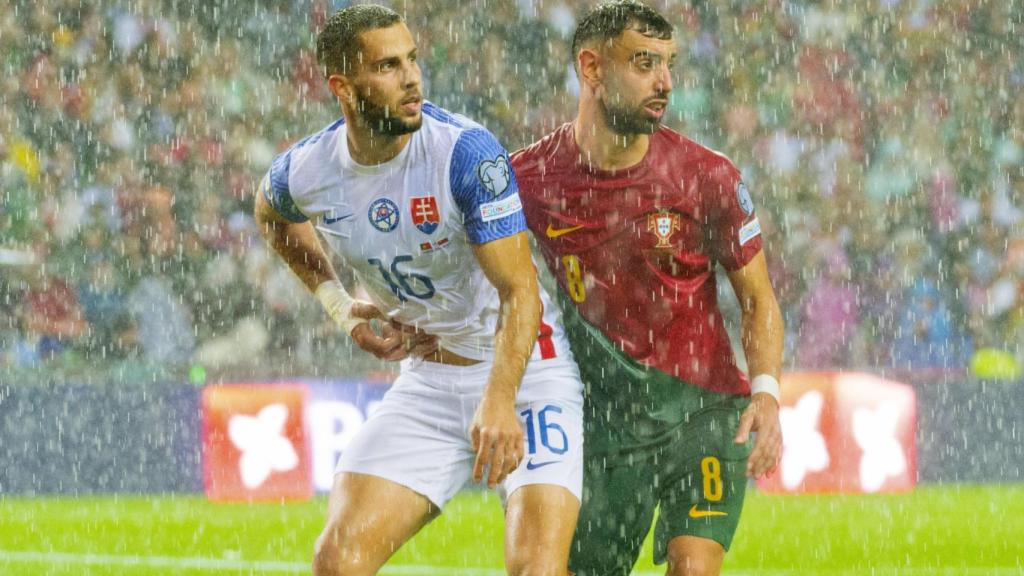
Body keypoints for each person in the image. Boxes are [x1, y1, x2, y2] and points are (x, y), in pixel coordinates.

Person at [253, 6, 583, 576]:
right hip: (429, 385)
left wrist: (500, 397)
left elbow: (520, 292)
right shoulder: (307, 170)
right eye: (387, 65)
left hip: (528, 376)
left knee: (536, 570)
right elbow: (270, 213)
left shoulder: (465, 155)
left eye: (412, 59)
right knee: (338, 561)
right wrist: (339, 307)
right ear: (343, 86)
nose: (411, 78)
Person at [511, 2, 784, 575]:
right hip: (607, 426)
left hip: (704, 412)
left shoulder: (706, 175)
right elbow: (489, 277)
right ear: (590, 68)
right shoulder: (529, 180)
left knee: (693, 567)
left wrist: (766, 392)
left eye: (668, 64)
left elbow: (757, 299)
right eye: (644, 64)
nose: (664, 83)